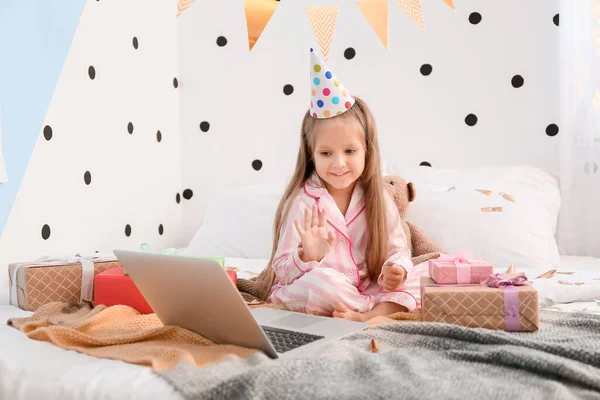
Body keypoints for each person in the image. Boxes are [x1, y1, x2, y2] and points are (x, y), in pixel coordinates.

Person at [258, 49, 425, 322]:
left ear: (367, 150)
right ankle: (371, 312)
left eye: (349, 151)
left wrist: (396, 269)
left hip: (369, 285)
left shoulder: (378, 199)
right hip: (323, 289)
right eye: (326, 154)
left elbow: (399, 250)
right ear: (312, 154)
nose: (338, 163)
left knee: (428, 273)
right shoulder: (303, 202)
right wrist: (307, 256)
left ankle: (362, 312)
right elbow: (282, 270)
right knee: (322, 282)